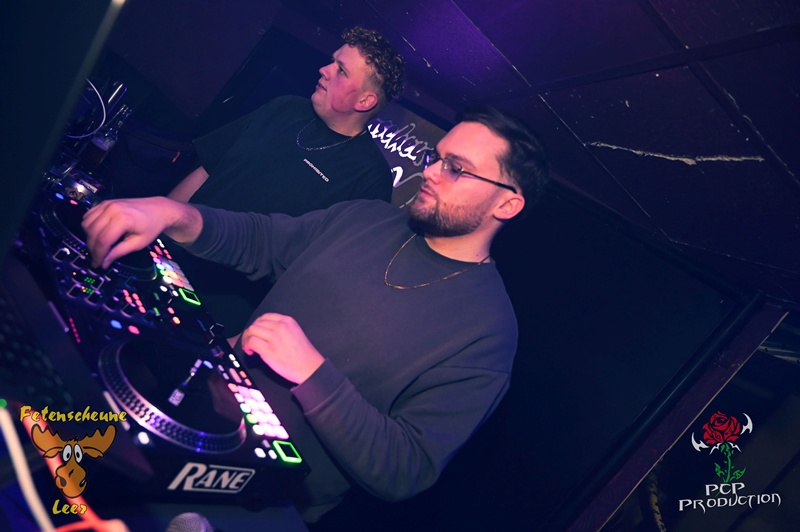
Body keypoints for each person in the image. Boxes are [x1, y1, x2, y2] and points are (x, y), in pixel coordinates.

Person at [82, 105, 549, 523]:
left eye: (456, 168)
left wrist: (313, 374)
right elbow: (260, 239)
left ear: (507, 203)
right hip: (181, 420)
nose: (430, 172)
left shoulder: (488, 332)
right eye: (436, 157)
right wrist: (173, 214)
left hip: (255, 504)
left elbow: (407, 468)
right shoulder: (367, 218)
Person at [166, 26, 405, 333]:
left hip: (223, 313)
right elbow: (206, 170)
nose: (324, 70)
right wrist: (158, 226)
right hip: (172, 261)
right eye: (332, 61)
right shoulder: (284, 107)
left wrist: (247, 337)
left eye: (341, 71)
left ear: (364, 101)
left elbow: (323, 277)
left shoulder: (370, 177)